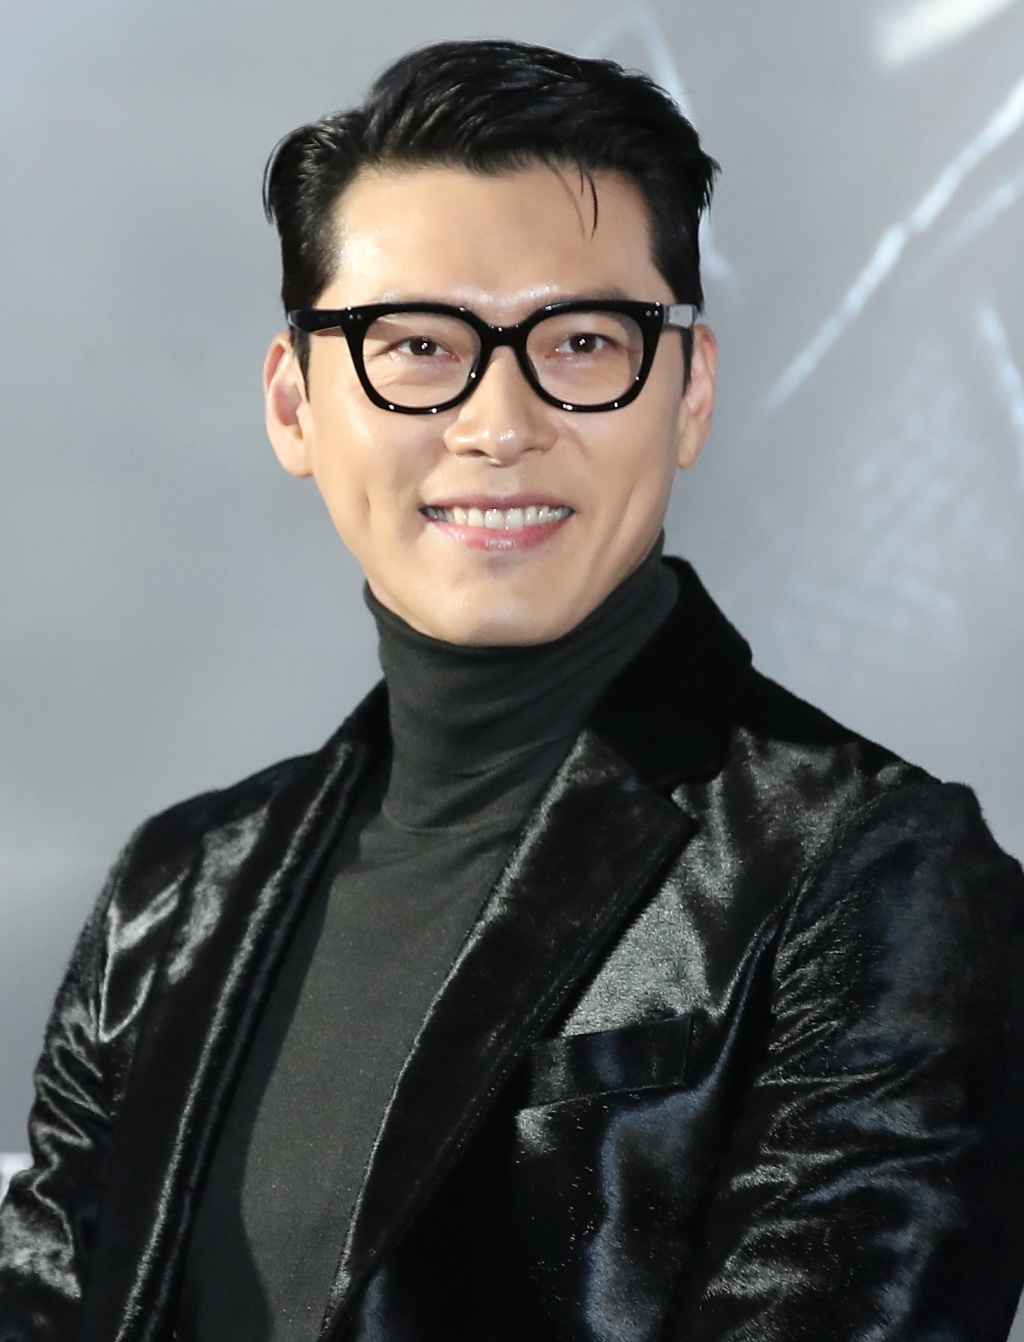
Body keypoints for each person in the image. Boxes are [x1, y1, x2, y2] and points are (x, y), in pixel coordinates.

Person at [1, 37, 1023, 1342]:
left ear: (690, 391)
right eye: (417, 345)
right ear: (295, 404)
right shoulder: (172, 895)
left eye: (582, 342)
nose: (498, 422)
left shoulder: (876, 874)